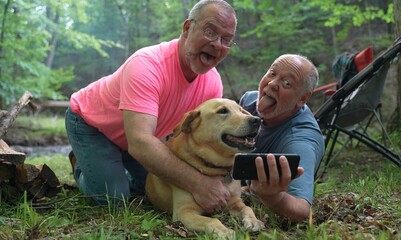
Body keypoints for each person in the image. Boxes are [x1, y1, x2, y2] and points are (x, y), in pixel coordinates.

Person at [65, 0, 237, 213]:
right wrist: (199, 184)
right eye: (210, 31)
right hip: (91, 125)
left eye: (226, 39)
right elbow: (140, 143)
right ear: (187, 28)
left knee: (153, 190)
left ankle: (112, 166)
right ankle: (82, 165)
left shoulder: (213, 83)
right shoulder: (147, 64)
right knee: (114, 200)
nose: (218, 44)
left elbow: (199, 141)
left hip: (136, 137)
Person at [239, 54, 325, 221]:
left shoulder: (300, 141)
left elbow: (302, 210)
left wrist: (273, 197)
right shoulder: (249, 101)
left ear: (302, 98)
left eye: (287, 83)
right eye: (272, 73)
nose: (272, 84)